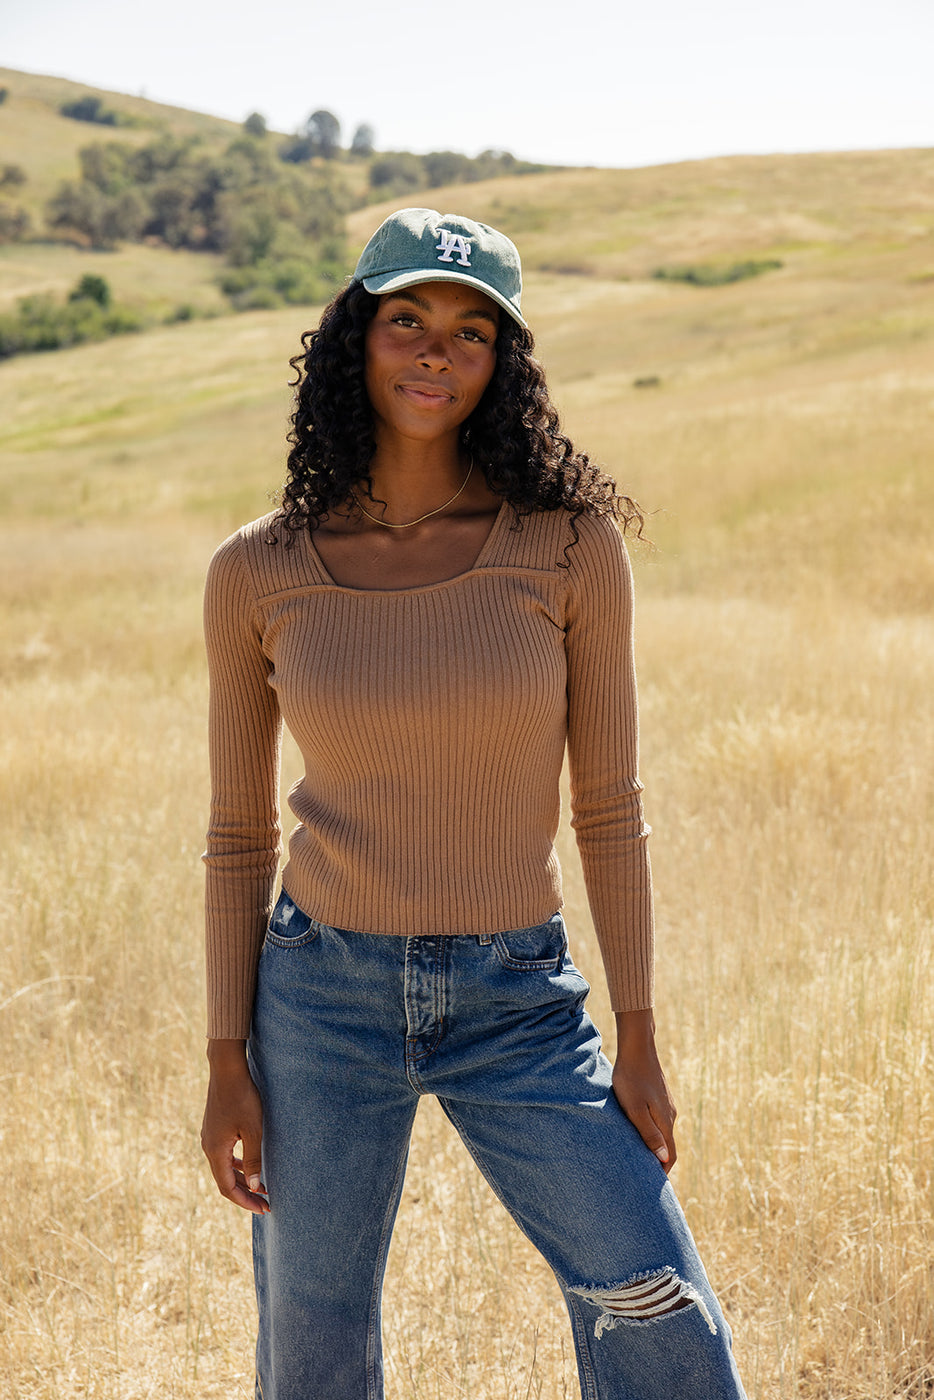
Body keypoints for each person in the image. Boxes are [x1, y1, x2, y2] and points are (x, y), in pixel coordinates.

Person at [200, 207, 746, 1400]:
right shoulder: (257, 567)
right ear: (358, 339)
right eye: (407, 320)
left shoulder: (565, 547)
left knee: (657, 1307)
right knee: (314, 1345)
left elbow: (609, 802)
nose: (435, 350)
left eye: (471, 331)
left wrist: (641, 1037)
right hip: (317, 996)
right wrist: (226, 1055)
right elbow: (238, 833)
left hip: (519, 998)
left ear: (504, 365)